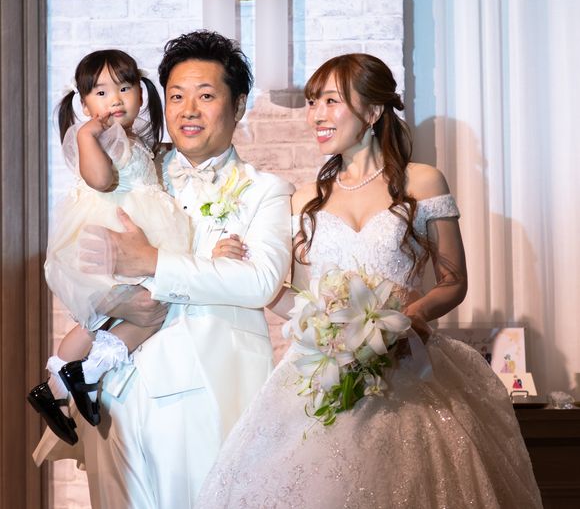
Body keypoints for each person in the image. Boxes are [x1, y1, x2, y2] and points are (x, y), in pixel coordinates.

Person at [196, 53, 542, 508]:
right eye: (313, 103)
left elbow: (453, 281)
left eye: (331, 101)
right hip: (326, 372)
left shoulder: (423, 182)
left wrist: (405, 320)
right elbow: (295, 298)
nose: (317, 116)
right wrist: (248, 277)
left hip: (408, 366)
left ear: (374, 111)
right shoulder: (305, 199)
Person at [48, 31, 294, 508]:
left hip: (203, 394)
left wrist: (153, 262)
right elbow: (84, 254)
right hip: (114, 396)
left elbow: (261, 281)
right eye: (177, 96)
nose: (188, 110)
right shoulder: (135, 166)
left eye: (206, 96)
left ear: (239, 106)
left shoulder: (266, 190)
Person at [28, 49, 190, 444]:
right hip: (111, 235)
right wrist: (87, 135)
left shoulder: (132, 137)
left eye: (124, 88)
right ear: (85, 105)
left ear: (141, 93)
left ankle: (57, 385)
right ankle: (82, 374)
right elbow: (100, 180)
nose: (115, 99)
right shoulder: (96, 136)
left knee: (99, 320)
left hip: (133, 234)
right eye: (101, 93)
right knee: (149, 310)